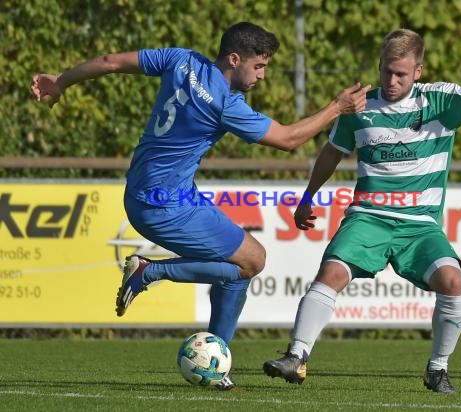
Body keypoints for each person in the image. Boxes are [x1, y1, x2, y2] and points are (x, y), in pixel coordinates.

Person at [31, 21, 371, 391]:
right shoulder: (225, 104)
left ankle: (216, 364)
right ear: (234, 58)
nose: (262, 75)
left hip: (157, 192)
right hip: (162, 204)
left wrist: (62, 80)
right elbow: (289, 139)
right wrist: (337, 107)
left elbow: (111, 60)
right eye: (258, 66)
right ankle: (148, 272)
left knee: (241, 261)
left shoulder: (180, 59)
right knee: (253, 261)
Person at [262, 28, 461, 394]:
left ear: (418, 72)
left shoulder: (439, 101)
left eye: (401, 75)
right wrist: (308, 196)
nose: (391, 81)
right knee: (330, 272)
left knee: (453, 282)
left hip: (420, 227)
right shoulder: (358, 108)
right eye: (386, 72)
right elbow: (332, 152)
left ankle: (437, 369)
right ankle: (296, 356)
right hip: (368, 217)